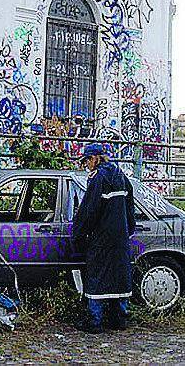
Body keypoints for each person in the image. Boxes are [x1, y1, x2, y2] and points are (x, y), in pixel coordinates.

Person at [72, 143, 136, 333]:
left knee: (97, 277)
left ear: (94, 159)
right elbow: (130, 205)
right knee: (119, 276)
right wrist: (128, 229)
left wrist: (78, 232)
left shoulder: (98, 178)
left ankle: (95, 321)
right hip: (120, 236)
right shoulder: (120, 175)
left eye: (86, 161)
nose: (86, 165)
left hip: (102, 237)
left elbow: (90, 209)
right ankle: (119, 319)